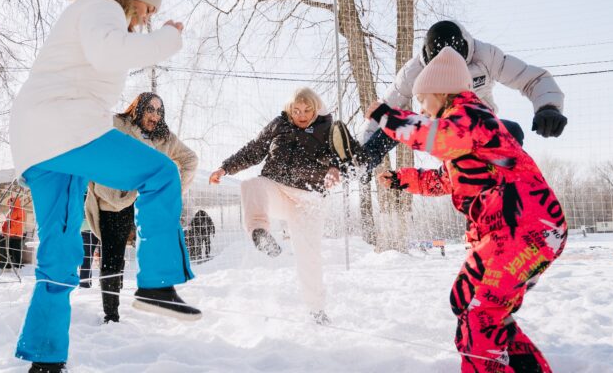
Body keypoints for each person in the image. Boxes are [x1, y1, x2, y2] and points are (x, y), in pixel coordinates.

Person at [8, 0, 199, 370]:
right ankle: (157, 283)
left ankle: (46, 358)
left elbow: (103, 56)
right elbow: (108, 52)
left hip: (37, 144)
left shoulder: (90, 10)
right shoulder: (104, 6)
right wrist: (168, 38)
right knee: (161, 174)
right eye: (147, 9)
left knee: (59, 252)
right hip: (67, 128)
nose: (146, 18)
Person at [369, 47, 568, 372]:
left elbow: (433, 136)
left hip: (524, 231)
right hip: (511, 234)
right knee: (468, 301)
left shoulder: (472, 119)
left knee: (480, 317)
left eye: (423, 100)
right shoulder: (464, 140)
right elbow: (443, 180)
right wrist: (403, 180)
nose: (421, 108)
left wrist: (388, 116)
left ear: (442, 93)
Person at [209, 87, 360, 325]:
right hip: (277, 189)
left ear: (316, 108)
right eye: (296, 110)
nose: (301, 115)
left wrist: (336, 169)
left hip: (309, 200)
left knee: (307, 254)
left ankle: (317, 310)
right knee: (251, 185)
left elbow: (352, 157)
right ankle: (260, 233)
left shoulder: (330, 128)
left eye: (306, 110)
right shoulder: (279, 125)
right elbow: (254, 149)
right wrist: (226, 167)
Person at [361, 20, 567, 170]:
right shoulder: (413, 71)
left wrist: (547, 106)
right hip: (442, 130)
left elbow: (531, 78)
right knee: (399, 121)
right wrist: (366, 150)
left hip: (482, 129)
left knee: (512, 131)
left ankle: (502, 181)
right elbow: (385, 106)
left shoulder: (485, 56)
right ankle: (364, 159)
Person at [84, 91, 198, 323]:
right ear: (138, 109)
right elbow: (90, 135)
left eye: (159, 111)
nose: (155, 115)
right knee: (112, 258)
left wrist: (170, 193)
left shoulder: (165, 138)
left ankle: (157, 293)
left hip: (144, 202)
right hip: (114, 200)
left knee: (159, 244)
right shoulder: (118, 125)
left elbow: (190, 160)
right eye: (150, 109)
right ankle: (111, 313)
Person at [0, 196, 26, 269]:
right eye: (10, 202)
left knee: (16, 251)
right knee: (9, 251)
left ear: (16, 202)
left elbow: (21, 220)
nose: (11, 203)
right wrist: (3, 230)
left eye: (12, 202)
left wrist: (11, 222)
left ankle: (18, 266)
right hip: (9, 235)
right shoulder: (10, 211)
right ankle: (9, 265)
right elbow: (6, 222)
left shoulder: (20, 210)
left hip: (16, 234)